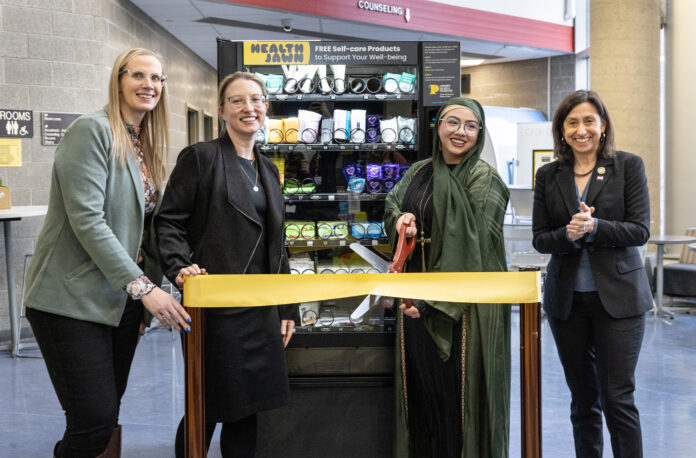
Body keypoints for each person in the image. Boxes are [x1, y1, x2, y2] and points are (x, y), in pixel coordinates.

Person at [22, 48, 192, 458]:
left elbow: (150, 229)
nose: (148, 85)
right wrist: (144, 288)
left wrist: (165, 283)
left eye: (157, 78)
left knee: (102, 417)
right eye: (138, 75)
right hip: (70, 301)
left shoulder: (144, 145)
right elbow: (87, 220)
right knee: (94, 419)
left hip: (119, 304)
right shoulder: (91, 130)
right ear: (118, 80)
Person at [156, 71, 297, 458]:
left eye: (256, 99)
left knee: (247, 410)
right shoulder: (201, 158)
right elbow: (168, 221)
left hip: (260, 308)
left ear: (266, 108)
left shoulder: (268, 169)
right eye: (237, 100)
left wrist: (287, 307)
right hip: (213, 309)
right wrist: (180, 267)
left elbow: (276, 243)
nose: (248, 107)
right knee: (207, 406)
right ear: (221, 111)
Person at [384, 97, 511, 457]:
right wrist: (400, 219)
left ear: (479, 134)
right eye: (452, 122)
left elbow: (475, 248)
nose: (461, 132)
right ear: (437, 127)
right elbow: (393, 202)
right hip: (414, 304)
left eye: (471, 126)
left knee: (458, 404)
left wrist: (429, 303)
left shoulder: (485, 180)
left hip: (463, 311)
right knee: (422, 397)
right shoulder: (419, 171)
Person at [532, 90, 652, 458]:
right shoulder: (549, 175)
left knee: (618, 398)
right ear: (561, 129)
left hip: (620, 300)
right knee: (583, 399)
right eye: (572, 122)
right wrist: (569, 234)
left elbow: (639, 230)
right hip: (567, 302)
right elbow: (540, 239)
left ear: (602, 125)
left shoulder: (628, 166)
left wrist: (596, 226)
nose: (581, 129)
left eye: (589, 121)